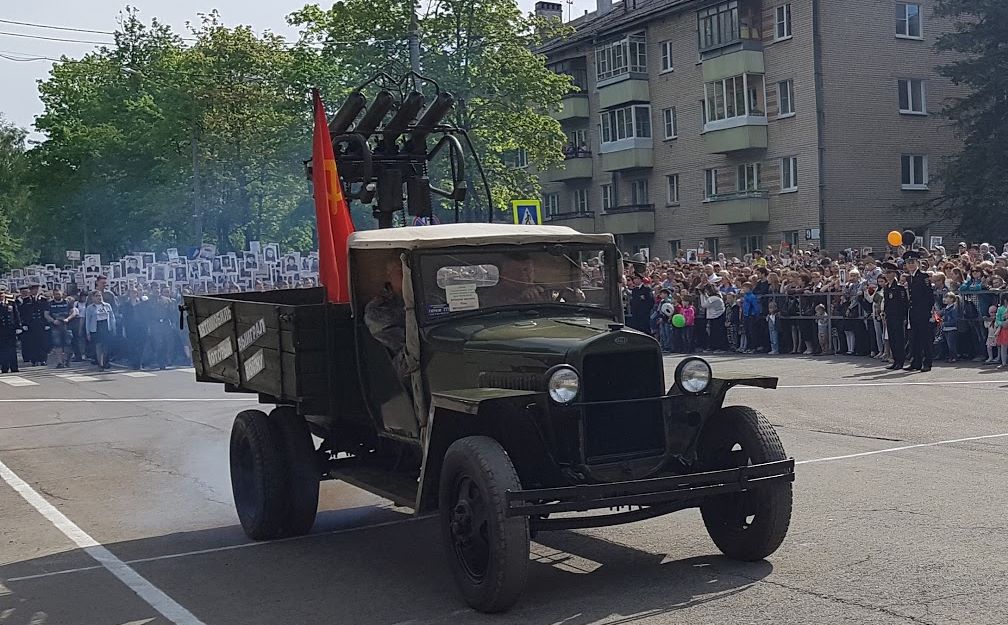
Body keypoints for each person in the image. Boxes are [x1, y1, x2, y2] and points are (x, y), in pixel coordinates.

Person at [364, 257, 409, 379]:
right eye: (401, 270)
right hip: (402, 373)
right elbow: (407, 345)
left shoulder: (430, 299)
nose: (408, 275)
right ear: (389, 275)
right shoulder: (378, 308)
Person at [904, 252, 934, 372]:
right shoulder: (909, 277)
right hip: (913, 310)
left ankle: (927, 362)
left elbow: (929, 295)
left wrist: (927, 310)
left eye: (912, 262)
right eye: (908, 263)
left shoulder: (923, 276)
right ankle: (915, 361)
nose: (910, 265)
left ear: (918, 263)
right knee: (914, 337)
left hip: (922, 311)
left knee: (925, 337)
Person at [882, 263, 908, 369]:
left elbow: (903, 304)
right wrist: (884, 313)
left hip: (898, 317)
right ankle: (895, 360)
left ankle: (900, 361)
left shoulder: (899, 288)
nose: (887, 275)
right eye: (886, 273)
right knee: (892, 339)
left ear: (894, 273)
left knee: (899, 339)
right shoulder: (887, 287)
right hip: (890, 316)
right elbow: (887, 303)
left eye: (889, 273)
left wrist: (903, 317)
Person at [44, 288, 77, 368]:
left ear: (62, 294)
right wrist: (53, 321)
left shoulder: (68, 302)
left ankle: (67, 361)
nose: (57, 295)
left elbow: (74, 312)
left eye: (58, 294)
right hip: (55, 326)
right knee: (57, 345)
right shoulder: (49, 303)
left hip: (67, 326)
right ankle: (60, 362)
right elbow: (46, 314)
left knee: (68, 344)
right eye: (55, 294)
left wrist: (68, 319)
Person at [85, 291, 116, 370]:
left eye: (100, 296)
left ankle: (105, 361)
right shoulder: (90, 308)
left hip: (106, 326)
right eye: (96, 296)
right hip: (96, 327)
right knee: (98, 345)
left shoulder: (107, 306)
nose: (99, 297)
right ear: (93, 298)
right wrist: (88, 332)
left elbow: (112, 317)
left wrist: (113, 327)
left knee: (106, 346)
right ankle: (100, 363)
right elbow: (88, 321)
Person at [0, 286, 22, 373]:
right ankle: (4, 367)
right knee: (2, 350)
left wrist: (18, 326)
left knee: (12, 349)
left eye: (2, 293)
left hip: (11, 329)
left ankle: (14, 367)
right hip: (1, 330)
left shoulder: (11, 303)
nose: (1, 295)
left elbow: (16, 315)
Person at [939, 292, 960, 363]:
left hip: (952, 328)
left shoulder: (953, 308)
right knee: (948, 344)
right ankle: (951, 357)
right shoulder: (946, 308)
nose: (945, 299)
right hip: (946, 328)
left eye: (947, 297)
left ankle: (954, 357)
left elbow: (954, 320)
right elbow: (941, 314)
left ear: (951, 299)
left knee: (951, 344)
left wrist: (945, 323)